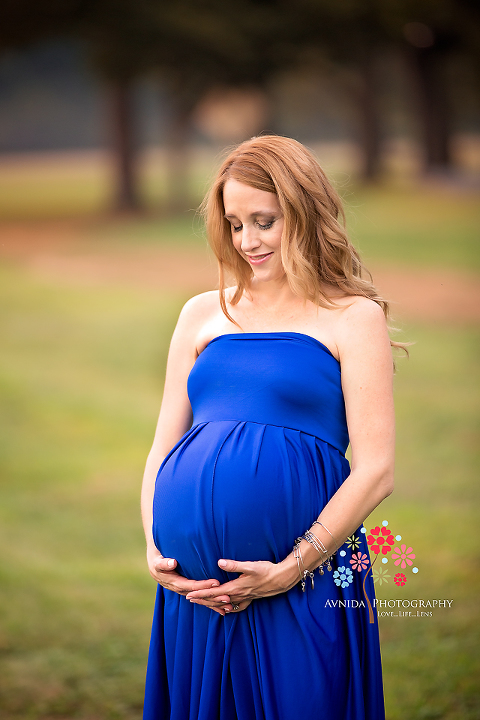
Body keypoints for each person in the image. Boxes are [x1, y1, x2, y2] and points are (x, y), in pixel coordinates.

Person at [141, 135, 399, 720]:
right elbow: (164, 447)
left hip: (304, 579)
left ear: (304, 216)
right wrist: (155, 544)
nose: (248, 241)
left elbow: (377, 470)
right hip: (195, 596)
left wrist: (289, 569)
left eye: (265, 221)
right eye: (235, 224)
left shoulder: (352, 317)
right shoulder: (202, 313)